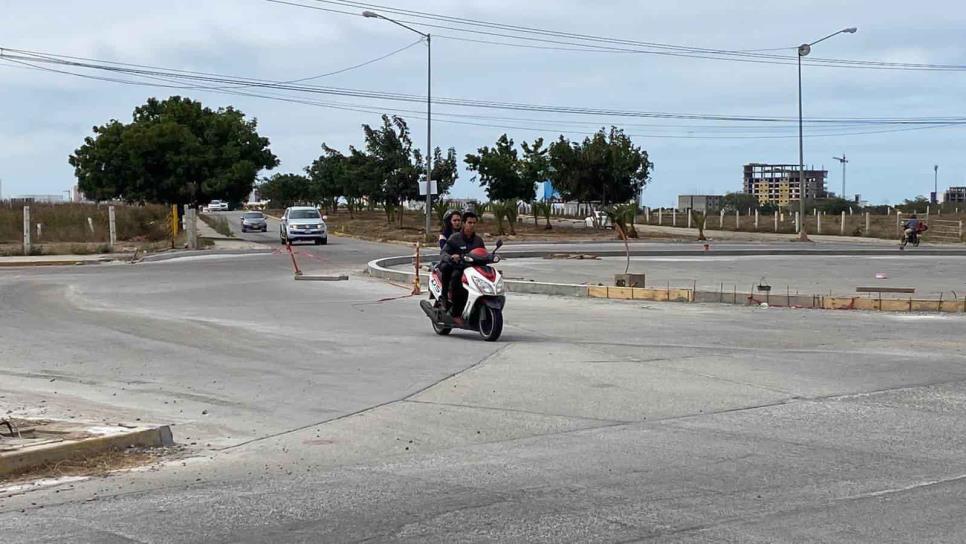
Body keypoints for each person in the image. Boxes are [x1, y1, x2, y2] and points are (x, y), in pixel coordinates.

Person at [439, 211, 486, 315]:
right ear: (464, 223)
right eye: (469, 222)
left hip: (473, 269)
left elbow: (483, 254)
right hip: (459, 267)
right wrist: (451, 257)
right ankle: (448, 301)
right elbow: (443, 252)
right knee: (455, 277)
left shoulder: (478, 240)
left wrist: (491, 257)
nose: (472, 225)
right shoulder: (455, 238)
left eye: (474, 223)